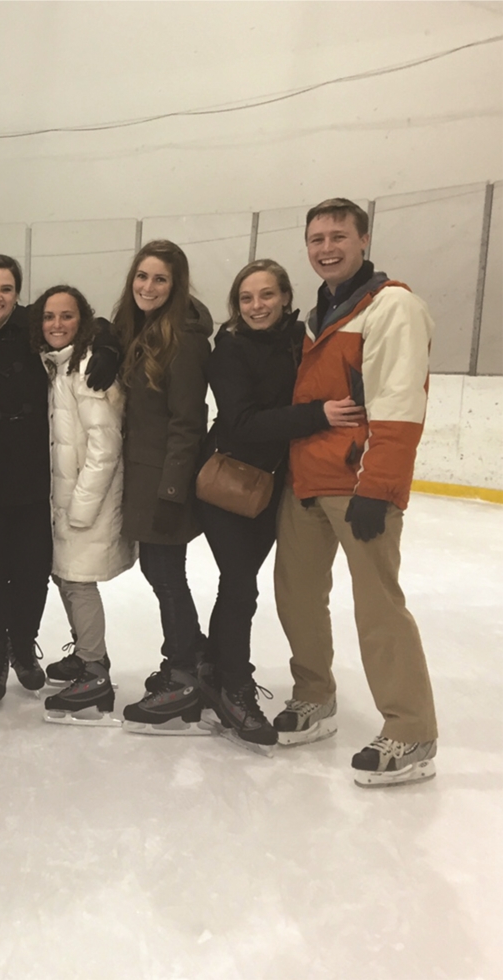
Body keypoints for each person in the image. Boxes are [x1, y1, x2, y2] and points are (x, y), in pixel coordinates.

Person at [272, 198, 439, 786]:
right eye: (316, 238)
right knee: (295, 596)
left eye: (338, 236)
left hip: (358, 485)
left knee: (377, 607)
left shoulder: (392, 306)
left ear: (363, 240)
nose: (326, 248)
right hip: (307, 483)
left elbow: (399, 403)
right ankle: (314, 697)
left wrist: (381, 487)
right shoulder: (320, 310)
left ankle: (412, 730)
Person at [196, 259, 361, 748]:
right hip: (225, 482)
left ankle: (213, 666)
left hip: (274, 487)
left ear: (286, 298)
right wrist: (317, 415)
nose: (256, 306)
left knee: (238, 584)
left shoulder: (303, 342)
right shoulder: (228, 350)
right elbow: (243, 423)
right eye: (247, 298)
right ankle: (235, 687)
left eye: (266, 295)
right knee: (241, 583)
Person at [111, 239, 216, 735]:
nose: (148, 287)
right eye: (142, 276)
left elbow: (188, 422)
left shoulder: (185, 339)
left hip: (163, 483)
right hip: (143, 477)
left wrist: (173, 494)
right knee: (160, 572)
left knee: (167, 575)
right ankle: (192, 661)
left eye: (160, 279)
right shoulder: (141, 329)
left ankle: (184, 674)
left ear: (176, 287)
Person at [31, 285, 136, 726]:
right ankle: (90, 656)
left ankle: (94, 671)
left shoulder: (90, 366)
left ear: (83, 320)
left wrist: (80, 507)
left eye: (67, 316)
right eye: (49, 317)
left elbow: (103, 446)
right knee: (64, 576)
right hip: (66, 497)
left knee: (77, 581)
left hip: (86, 500)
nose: (57, 325)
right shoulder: (59, 365)